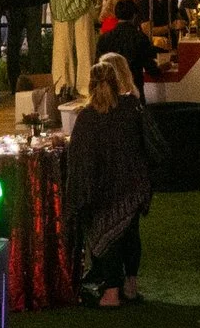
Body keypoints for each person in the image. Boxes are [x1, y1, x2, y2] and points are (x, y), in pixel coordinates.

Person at [65, 60, 155, 306]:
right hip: (133, 187)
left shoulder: (86, 119)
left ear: (91, 86)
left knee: (107, 235)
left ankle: (111, 292)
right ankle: (131, 286)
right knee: (130, 233)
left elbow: (80, 163)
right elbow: (148, 142)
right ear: (117, 83)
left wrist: (80, 199)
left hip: (104, 192)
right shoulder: (131, 107)